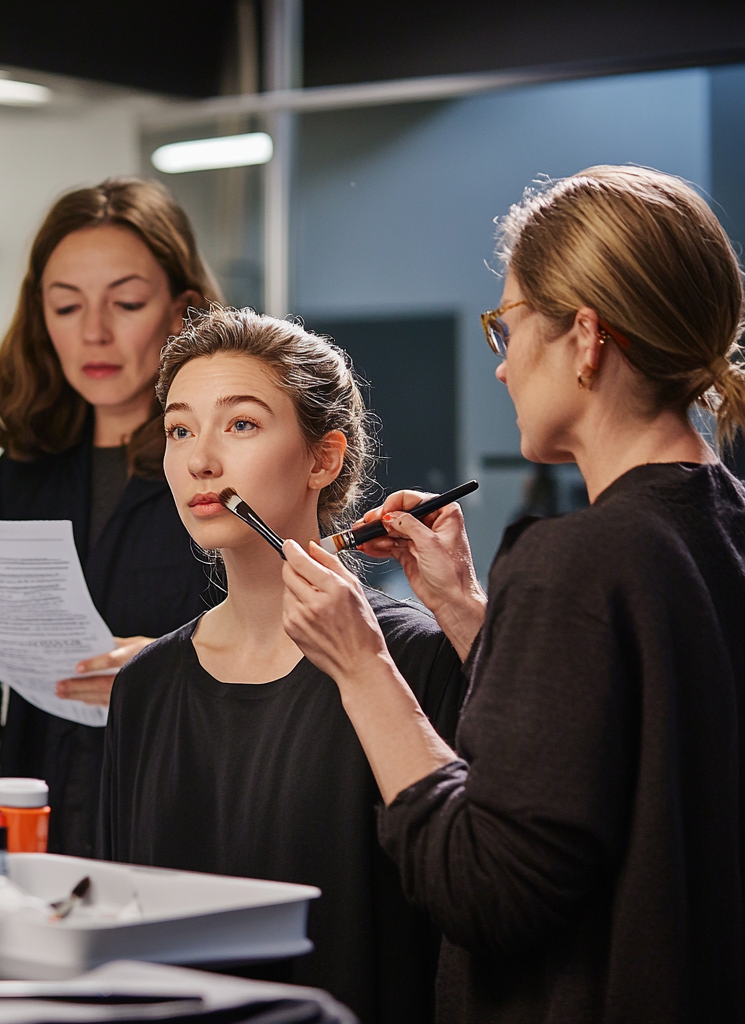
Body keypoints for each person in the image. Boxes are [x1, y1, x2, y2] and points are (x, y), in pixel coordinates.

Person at [279, 166, 745, 1023]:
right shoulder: (716, 527)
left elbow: (485, 888)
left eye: (508, 326)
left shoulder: (577, 560)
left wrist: (362, 667)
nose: (501, 368)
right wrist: (463, 607)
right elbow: (603, 753)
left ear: (587, 338)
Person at [99, 307, 469, 1024]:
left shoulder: (413, 660)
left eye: (239, 424)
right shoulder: (145, 688)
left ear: (322, 459)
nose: (200, 459)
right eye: (180, 430)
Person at [0, 178, 222, 856]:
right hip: (37, 842)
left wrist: (163, 677)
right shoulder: (11, 487)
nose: (94, 332)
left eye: (126, 302)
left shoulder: (220, 479)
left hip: (183, 839)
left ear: (183, 310)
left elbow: (295, 676)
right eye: (66, 306)